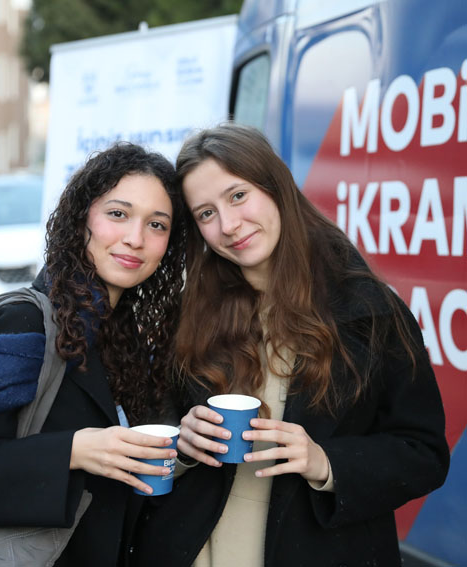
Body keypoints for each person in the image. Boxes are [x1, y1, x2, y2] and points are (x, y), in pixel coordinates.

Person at [129, 123, 450, 567]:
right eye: (206, 213)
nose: (229, 225)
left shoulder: (368, 309)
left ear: (276, 186)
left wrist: (325, 462)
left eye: (238, 196)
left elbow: (424, 453)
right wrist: (180, 444)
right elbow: (147, 433)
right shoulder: (193, 312)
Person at [0, 142, 186, 566]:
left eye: (157, 224)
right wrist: (73, 451)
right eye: (117, 214)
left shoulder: (124, 332)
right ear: (81, 220)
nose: (135, 238)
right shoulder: (25, 322)